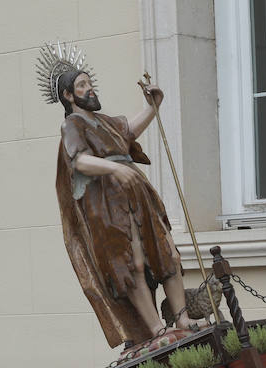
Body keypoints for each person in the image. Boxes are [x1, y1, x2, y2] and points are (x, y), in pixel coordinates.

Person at [39, 41, 201, 350]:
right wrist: (113, 170)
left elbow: (129, 131)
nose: (90, 89)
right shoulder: (72, 124)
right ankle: (156, 328)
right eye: (82, 85)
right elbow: (79, 161)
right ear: (68, 95)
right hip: (107, 204)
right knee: (133, 263)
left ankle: (182, 319)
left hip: (137, 195)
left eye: (89, 83)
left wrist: (152, 107)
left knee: (167, 253)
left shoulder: (104, 122)